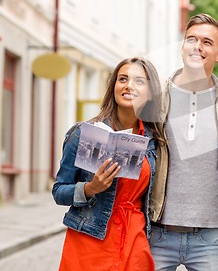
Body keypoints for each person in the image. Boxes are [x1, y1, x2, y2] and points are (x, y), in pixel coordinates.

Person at [148, 13, 218, 271]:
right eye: (192, 39)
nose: (197, 47)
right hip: (157, 231)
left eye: (207, 42)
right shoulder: (156, 97)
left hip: (209, 235)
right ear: (182, 47)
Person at [52, 57, 165, 271]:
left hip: (135, 240)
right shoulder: (83, 133)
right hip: (89, 239)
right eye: (123, 79)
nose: (129, 86)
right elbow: (59, 191)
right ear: (114, 86)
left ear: (150, 93)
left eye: (139, 81)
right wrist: (90, 188)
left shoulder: (156, 141)